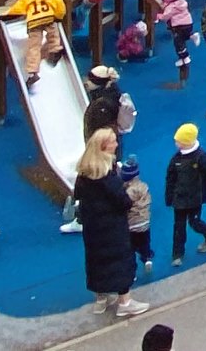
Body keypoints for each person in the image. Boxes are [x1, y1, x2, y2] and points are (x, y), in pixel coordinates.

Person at [76, 127, 150, 317]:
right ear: (105, 147)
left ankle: (101, 298)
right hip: (112, 228)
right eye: (113, 142)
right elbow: (122, 201)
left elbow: (79, 196)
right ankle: (124, 302)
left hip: (93, 228)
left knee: (96, 260)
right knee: (120, 261)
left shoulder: (84, 173)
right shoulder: (107, 176)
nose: (117, 144)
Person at [165, 122, 206, 263]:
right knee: (178, 226)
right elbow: (170, 178)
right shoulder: (176, 159)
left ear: (186, 142)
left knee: (195, 222)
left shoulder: (201, 158)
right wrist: (169, 196)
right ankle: (177, 254)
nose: (176, 143)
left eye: (178, 141)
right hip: (179, 199)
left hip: (195, 198)